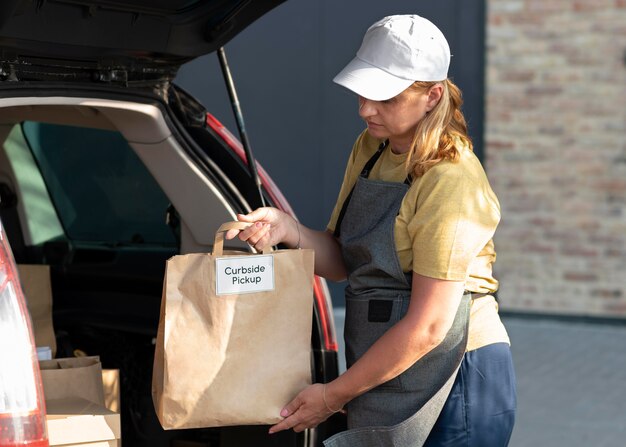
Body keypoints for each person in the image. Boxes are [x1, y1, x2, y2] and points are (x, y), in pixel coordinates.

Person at [226, 14, 516, 446]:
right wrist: (288, 229)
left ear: (432, 96)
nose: (365, 108)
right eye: (363, 92)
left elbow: (431, 325)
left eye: (384, 97)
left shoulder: (450, 179)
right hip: (388, 364)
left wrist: (331, 396)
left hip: (455, 378)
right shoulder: (370, 148)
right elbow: (345, 261)